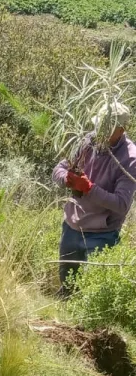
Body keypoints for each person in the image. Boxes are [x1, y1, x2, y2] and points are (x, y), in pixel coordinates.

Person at [53, 101, 136, 292]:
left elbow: (122, 204)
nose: (100, 132)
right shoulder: (87, 141)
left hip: (102, 235)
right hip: (72, 227)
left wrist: (89, 188)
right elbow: (59, 168)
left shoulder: (130, 158)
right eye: (100, 126)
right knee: (67, 288)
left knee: (93, 293)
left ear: (121, 130)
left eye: (107, 128)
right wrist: (67, 179)